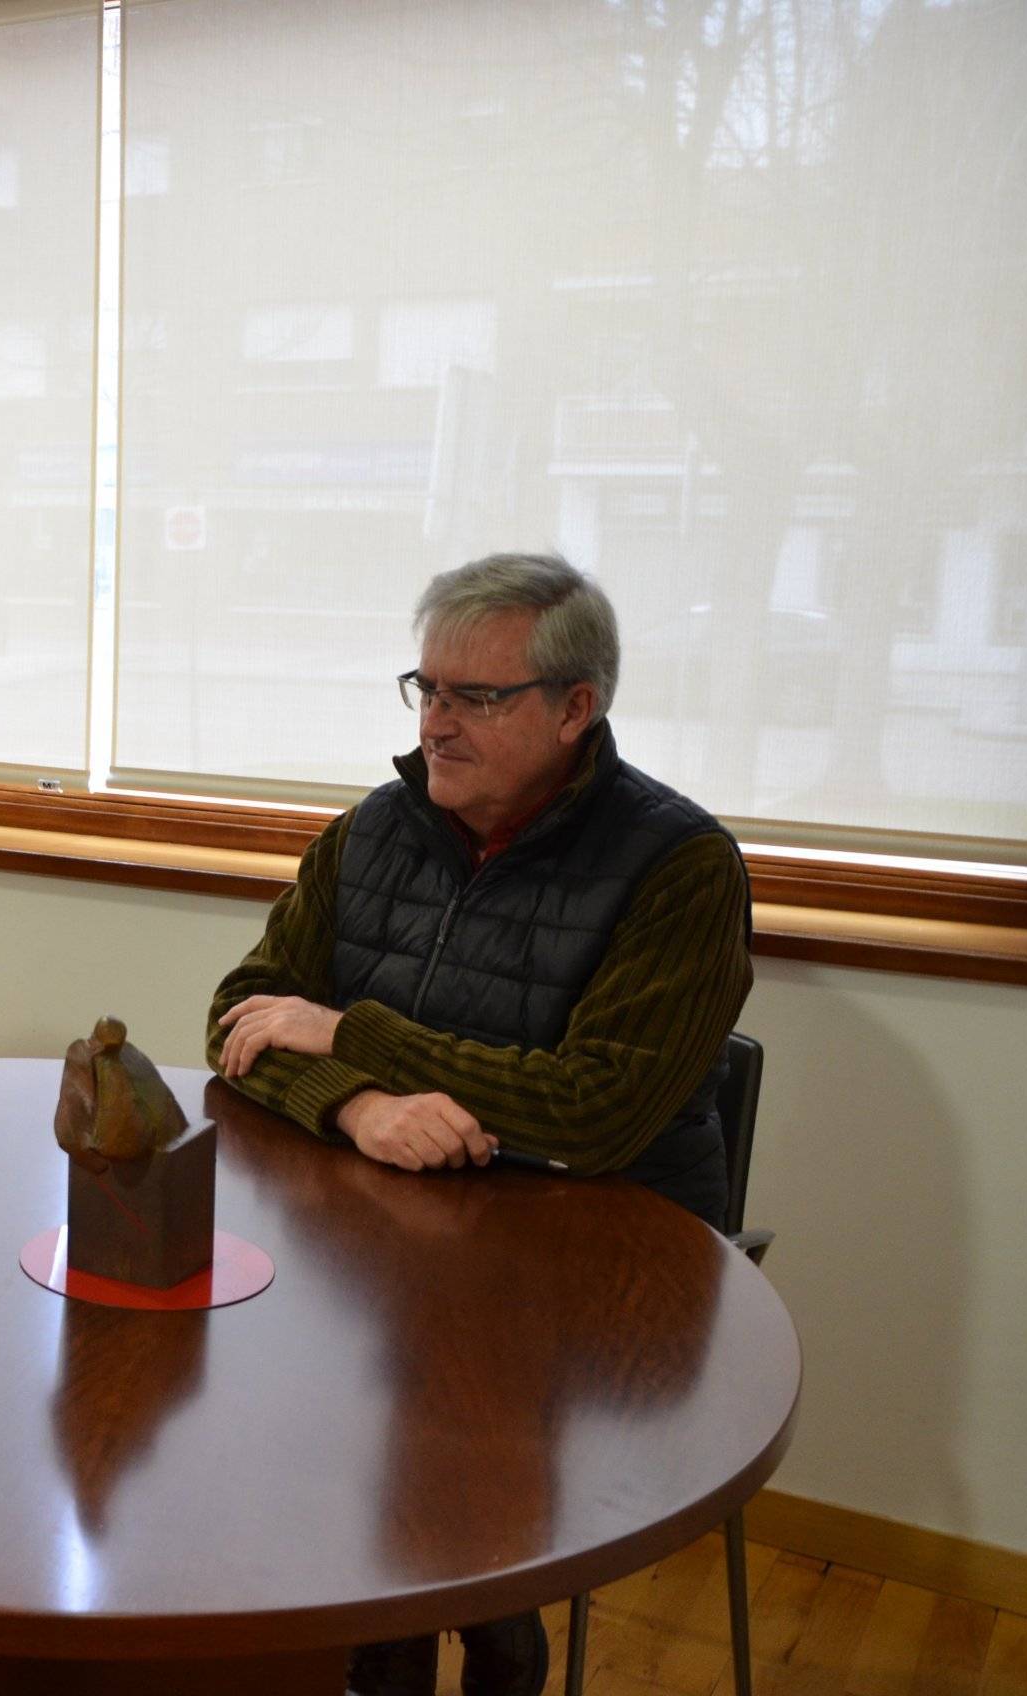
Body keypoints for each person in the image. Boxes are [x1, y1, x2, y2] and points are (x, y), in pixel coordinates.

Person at [202, 552, 752, 1696]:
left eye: (474, 698)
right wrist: (360, 1108)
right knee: (232, 1368)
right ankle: (395, 1633)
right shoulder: (374, 829)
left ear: (573, 709)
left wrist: (351, 1033)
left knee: (424, 1403)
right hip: (389, 1222)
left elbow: (594, 1109)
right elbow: (239, 1022)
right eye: (426, 688)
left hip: (593, 1249)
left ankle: (464, 1619)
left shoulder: (681, 865)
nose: (435, 725)